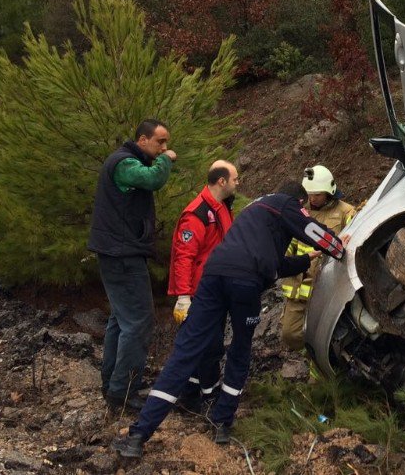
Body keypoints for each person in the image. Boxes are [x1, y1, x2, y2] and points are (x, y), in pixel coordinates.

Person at [111, 181, 347, 457]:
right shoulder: (286, 203)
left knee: (185, 352)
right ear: (300, 201)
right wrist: (338, 248)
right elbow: (312, 231)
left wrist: (307, 259)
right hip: (245, 284)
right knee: (240, 348)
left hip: (214, 276)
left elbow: (273, 262)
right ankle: (222, 422)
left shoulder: (254, 209)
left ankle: (138, 436)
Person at [87, 119, 176, 411]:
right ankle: (123, 391)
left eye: (166, 143)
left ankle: (113, 386)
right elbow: (153, 180)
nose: (164, 148)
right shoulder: (125, 164)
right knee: (138, 321)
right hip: (122, 253)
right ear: (142, 140)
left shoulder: (125, 161)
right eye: (160, 142)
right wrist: (166, 161)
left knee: (121, 320)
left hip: (119, 250)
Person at [167, 160, 238, 411]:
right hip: (200, 292)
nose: (237, 183)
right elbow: (184, 256)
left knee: (210, 344)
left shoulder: (221, 208)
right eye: (235, 179)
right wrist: (184, 295)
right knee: (208, 346)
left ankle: (191, 393)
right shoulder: (198, 213)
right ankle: (206, 396)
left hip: (216, 288)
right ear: (222, 181)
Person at [280, 165, 356, 352]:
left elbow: (353, 245)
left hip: (327, 286)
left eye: (317, 194)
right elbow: (289, 241)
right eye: (310, 194)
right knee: (289, 334)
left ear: (329, 192)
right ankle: (312, 355)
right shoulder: (299, 211)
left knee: (329, 335)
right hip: (299, 284)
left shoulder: (346, 212)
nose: (312, 199)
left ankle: (321, 372)